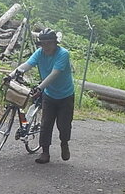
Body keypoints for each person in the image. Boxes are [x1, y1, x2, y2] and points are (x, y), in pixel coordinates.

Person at [8, 28, 75, 164]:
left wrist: (40, 88)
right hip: (49, 94)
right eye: (43, 43)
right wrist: (10, 75)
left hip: (65, 95)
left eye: (49, 43)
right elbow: (27, 65)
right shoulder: (39, 53)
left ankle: (64, 143)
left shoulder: (63, 54)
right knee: (46, 124)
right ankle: (45, 152)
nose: (46, 46)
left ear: (55, 43)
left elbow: (54, 74)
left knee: (64, 125)